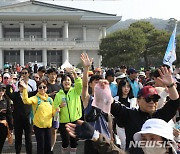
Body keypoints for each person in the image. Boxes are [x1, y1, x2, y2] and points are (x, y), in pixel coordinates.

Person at [111, 66, 179, 153]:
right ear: (138, 101)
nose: (152, 102)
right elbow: (110, 103)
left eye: (155, 99)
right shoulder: (129, 114)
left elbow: (175, 102)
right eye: (148, 99)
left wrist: (170, 85)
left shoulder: (160, 116)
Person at [81, 53, 112, 154]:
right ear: (90, 84)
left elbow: (109, 120)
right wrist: (86, 68)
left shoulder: (107, 99)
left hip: (105, 139)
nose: (99, 84)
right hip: (91, 140)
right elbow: (84, 86)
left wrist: (111, 136)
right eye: (96, 82)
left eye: (100, 82)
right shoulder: (88, 99)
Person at [53, 68, 82, 154]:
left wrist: (75, 75)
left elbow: (80, 84)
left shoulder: (75, 91)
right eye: (65, 80)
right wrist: (59, 106)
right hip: (63, 122)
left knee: (74, 142)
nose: (67, 82)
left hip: (75, 120)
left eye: (69, 80)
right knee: (65, 142)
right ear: (62, 82)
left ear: (71, 82)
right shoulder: (58, 94)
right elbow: (54, 107)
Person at [21, 79, 54, 154]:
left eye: (44, 87)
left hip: (48, 126)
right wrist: (25, 88)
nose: (42, 88)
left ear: (46, 88)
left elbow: (53, 112)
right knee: (41, 147)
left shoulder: (50, 99)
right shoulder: (35, 98)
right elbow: (25, 100)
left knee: (48, 146)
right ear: (37, 89)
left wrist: (58, 109)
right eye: (40, 87)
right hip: (38, 127)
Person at [6, 82, 36, 154]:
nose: (21, 87)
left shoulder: (29, 94)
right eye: (20, 86)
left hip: (27, 120)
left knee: (28, 139)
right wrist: (9, 84)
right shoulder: (15, 95)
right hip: (17, 120)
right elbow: (8, 92)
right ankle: (17, 152)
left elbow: (37, 91)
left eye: (23, 86)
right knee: (18, 138)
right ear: (18, 87)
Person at [46, 68, 61, 153]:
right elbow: (39, 95)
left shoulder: (59, 86)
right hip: (46, 111)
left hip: (56, 112)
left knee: (54, 130)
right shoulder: (45, 85)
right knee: (46, 129)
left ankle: (51, 148)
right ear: (48, 75)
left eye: (55, 74)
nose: (53, 76)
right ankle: (46, 146)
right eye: (51, 74)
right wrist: (48, 95)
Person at [0, 84, 13, 153]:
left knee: (1, 142)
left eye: (3, 90)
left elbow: (9, 114)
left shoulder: (6, 100)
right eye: (0, 90)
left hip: (4, 124)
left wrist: (11, 127)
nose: (1, 91)